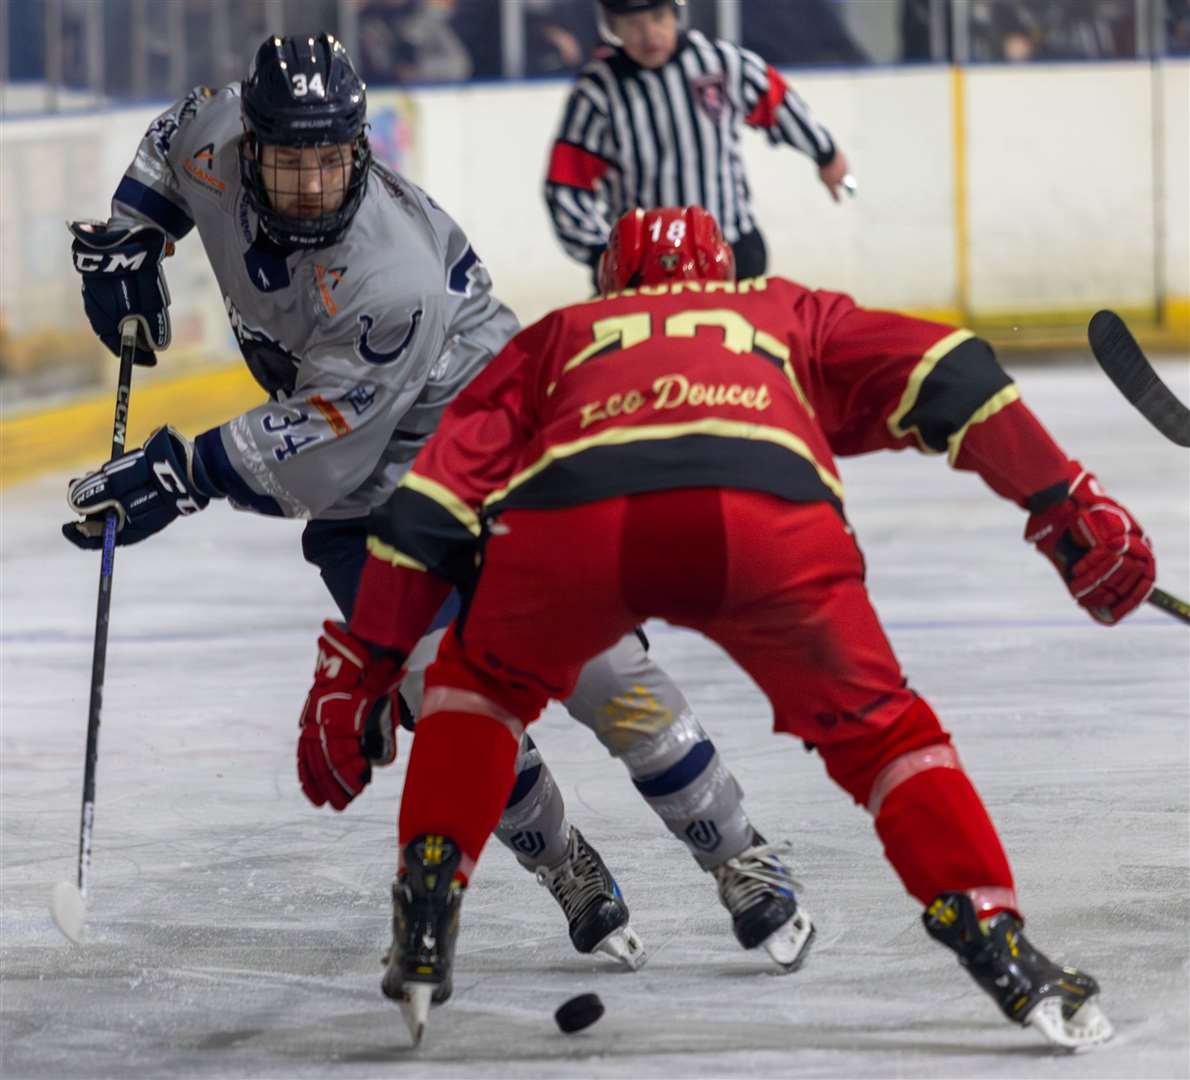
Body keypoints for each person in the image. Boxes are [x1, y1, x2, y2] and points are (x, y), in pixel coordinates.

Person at [305, 205, 1155, 1046]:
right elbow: (958, 372)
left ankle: (426, 899)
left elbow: (429, 506)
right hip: (766, 513)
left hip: (575, 521)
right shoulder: (782, 310)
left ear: (610, 284)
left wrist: (366, 661)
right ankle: (994, 935)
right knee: (885, 734)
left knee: (478, 687)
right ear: (723, 274)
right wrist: (1062, 503)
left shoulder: (562, 336)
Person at [61, 33, 812, 977]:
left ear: (359, 152)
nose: (307, 188)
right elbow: (168, 146)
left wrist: (185, 472)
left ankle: (738, 854)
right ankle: (569, 867)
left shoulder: (390, 277)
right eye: (287, 164)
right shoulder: (216, 132)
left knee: (601, 676)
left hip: (493, 468)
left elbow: (328, 446)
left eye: (328, 163)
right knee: (447, 704)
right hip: (367, 506)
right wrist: (138, 230)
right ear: (250, 146)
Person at [543, 0, 852, 287]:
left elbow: (777, 103)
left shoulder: (721, 63)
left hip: (732, 250)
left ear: (676, 12)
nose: (649, 34)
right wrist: (601, 253)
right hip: (643, 268)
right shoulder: (598, 91)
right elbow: (566, 185)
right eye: (632, 23)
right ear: (612, 26)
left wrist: (825, 154)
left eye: (658, 17)